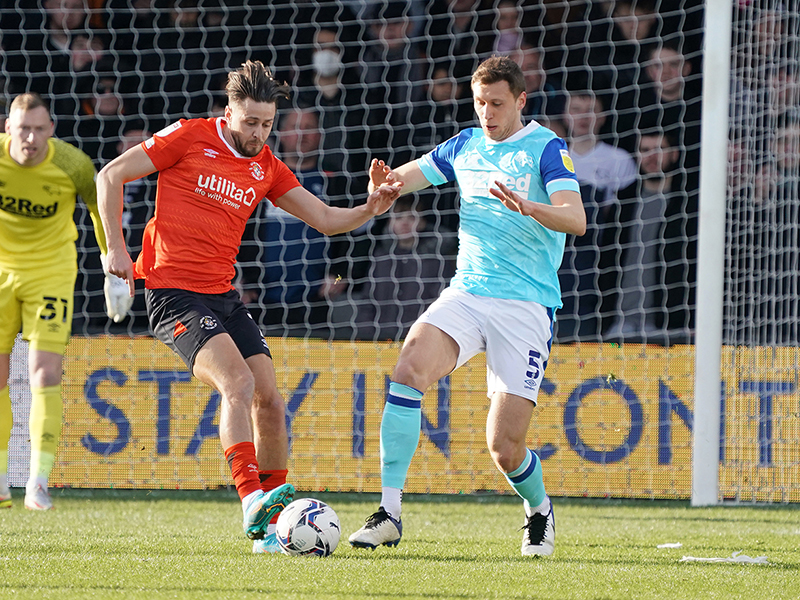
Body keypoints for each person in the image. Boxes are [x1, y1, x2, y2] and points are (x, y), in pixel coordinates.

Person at [96, 60, 402, 552]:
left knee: (271, 402)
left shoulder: (266, 166)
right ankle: (249, 501)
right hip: (172, 292)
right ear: (229, 110)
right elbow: (110, 176)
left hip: (223, 295)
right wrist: (116, 248)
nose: (259, 133)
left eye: (267, 124)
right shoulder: (188, 137)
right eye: (251, 122)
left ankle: (270, 530)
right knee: (236, 383)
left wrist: (369, 208)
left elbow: (323, 218)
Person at [347, 56, 585, 556]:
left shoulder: (546, 148)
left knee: (504, 448)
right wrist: (382, 188)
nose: (487, 113)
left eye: (497, 103)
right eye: (479, 103)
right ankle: (389, 512)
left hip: (524, 306)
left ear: (521, 100)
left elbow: (575, 219)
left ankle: (538, 510)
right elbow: (400, 182)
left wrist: (530, 207)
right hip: (468, 292)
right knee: (409, 365)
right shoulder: (465, 145)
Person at [0, 92, 131, 511]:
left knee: (44, 374)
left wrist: (112, 267)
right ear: (8, 129)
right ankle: (1, 478)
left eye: (40, 130)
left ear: (51, 130)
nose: (31, 139)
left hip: (50, 275)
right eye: (24, 129)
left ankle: (38, 482)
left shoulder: (73, 164)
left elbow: (99, 211)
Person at [354, 195, 456, 342]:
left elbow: (441, 303)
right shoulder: (381, 257)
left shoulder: (436, 260)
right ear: (390, 222)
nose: (405, 223)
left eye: (412, 218)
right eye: (399, 217)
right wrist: (365, 336)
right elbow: (367, 301)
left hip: (421, 341)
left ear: (422, 223)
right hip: (379, 340)